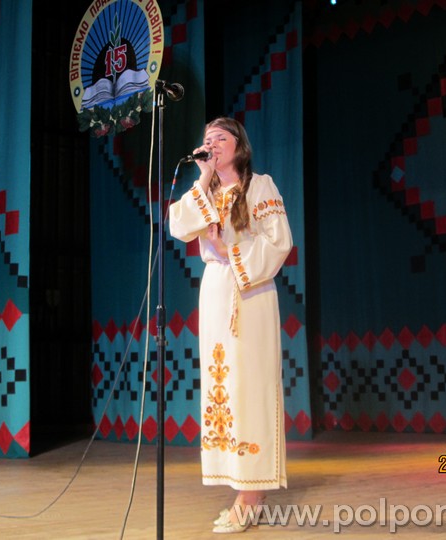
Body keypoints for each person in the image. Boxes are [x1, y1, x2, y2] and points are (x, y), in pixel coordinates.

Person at [169, 117, 292, 534]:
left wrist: (229, 251)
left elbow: (279, 242)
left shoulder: (260, 186)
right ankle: (241, 486)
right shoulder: (207, 191)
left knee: (249, 384)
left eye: (220, 138)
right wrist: (203, 177)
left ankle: (250, 495)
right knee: (222, 385)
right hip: (216, 292)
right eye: (207, 140)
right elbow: (178, 225)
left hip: (250, 291)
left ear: (240, 145)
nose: (212, 144)